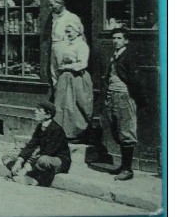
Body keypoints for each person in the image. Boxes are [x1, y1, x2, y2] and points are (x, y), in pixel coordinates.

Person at [103, 28, 142, 181]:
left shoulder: (128, 56)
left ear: (126, 40)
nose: (115, 41)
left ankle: (127, 169)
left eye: (119, 38)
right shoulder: (114, 56)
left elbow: (135, 80)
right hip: (112, 95)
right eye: (114, 38)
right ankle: (123, 166)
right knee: (116, 129)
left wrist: (134, 98)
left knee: (126, 132)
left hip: (123, 96)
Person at [2, 101, 71, 187]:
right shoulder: (40, 127)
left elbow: (49, 152)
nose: (35, 112)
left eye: (39, 110)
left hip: (58, 161)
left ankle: (35, 180)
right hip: (41, 157)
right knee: (6, 157)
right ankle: (18, 173)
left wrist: (26, 168)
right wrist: (19, 161)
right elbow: (31, 145)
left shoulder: (56, 130)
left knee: (42, 160)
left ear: (48, 115)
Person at [51, 19, 94, 141]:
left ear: (77, 32)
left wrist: (66, 67)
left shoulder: (81, 45)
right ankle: (64, 132)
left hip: (76, 78)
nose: (67, 34)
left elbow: (82, 64)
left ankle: (76, 133)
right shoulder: (69, 44)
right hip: (66, 78)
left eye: (69, 32)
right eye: (66, 32)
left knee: (74, 105)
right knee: (62, 104)